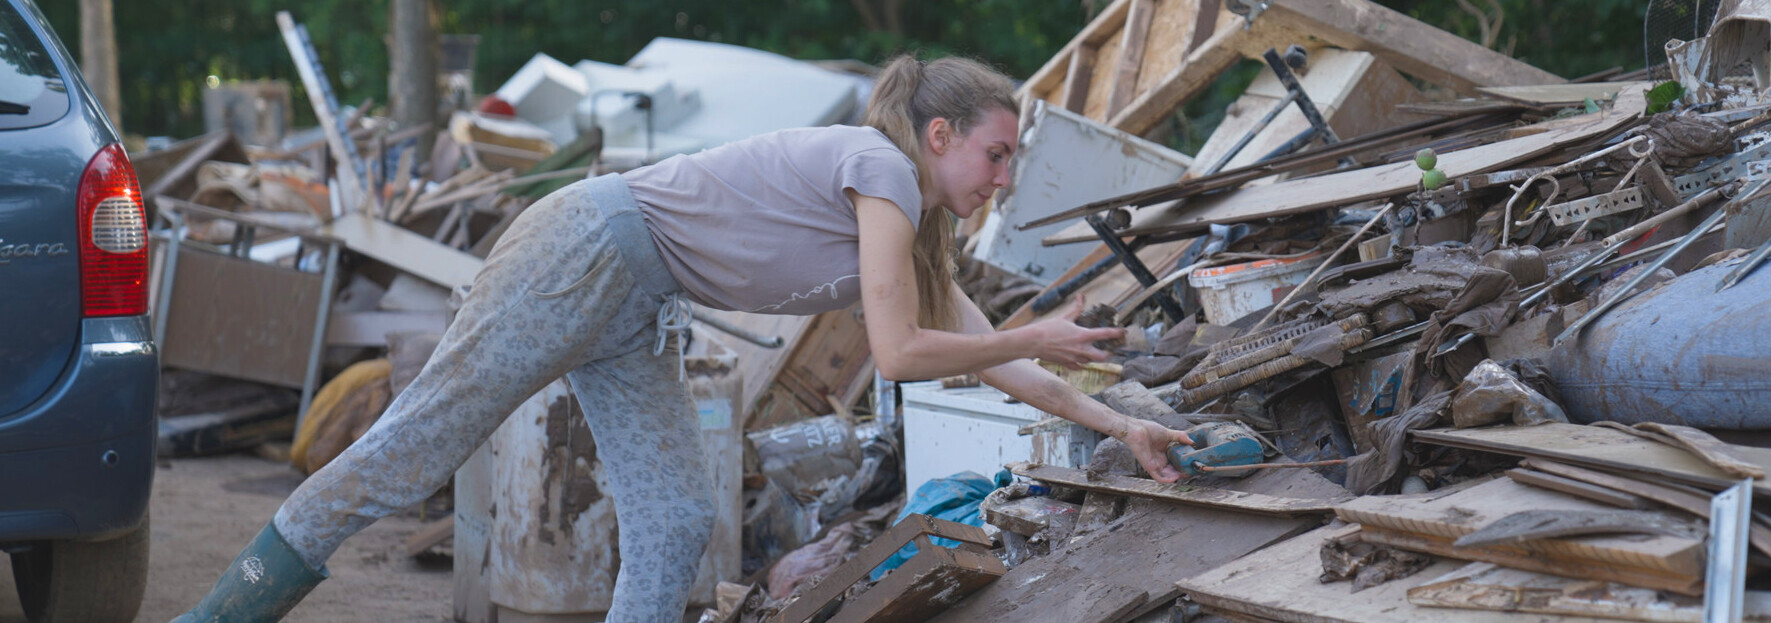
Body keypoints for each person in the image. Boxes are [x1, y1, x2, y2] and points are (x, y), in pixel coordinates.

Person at [173, 54, 1193, 622]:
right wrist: (1039, 330)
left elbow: (997, 358)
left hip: (638, 295)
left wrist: (1114, 418)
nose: (1004, 177)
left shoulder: (913, 222)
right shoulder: (879, 168)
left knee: (671, 520)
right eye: (997, 153)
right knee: (411, 452)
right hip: (585, 248)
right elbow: (900, 353)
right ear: (939, 138)